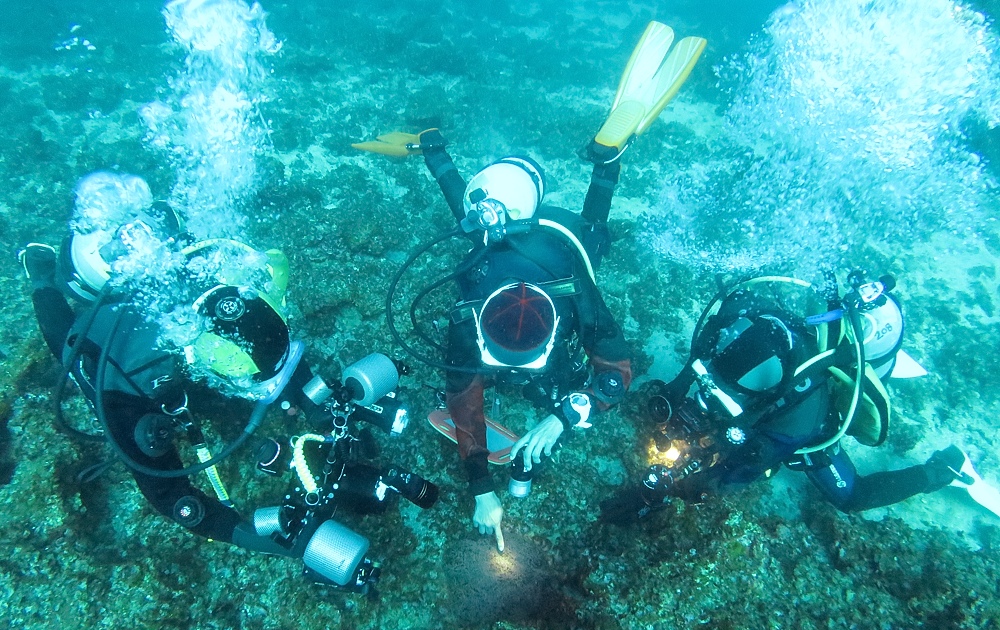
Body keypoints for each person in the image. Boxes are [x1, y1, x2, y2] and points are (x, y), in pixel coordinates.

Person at [355, 22, 707, 549]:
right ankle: (439, 153)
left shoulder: (573, 285)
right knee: (474, 227)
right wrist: (481, 489)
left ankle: (606, 164)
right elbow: (466, 403)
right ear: (480, 327)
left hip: (552, 236)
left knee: (593, 239)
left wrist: (565, 417)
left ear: (553, 328)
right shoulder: (467, 309)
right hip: (503, 228)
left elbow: (615, 372)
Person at [17, 172, 430, 592]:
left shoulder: (221, 276)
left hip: (185, 301)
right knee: (66, 341)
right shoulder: (120, 379)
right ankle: (41, 276)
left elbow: (278, 357)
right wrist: (275, 543)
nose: (265, 393)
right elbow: (175, 501)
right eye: (253, 385)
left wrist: (321, 408)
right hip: (124, 351)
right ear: (197, 357)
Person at [599, 271, 985, 524]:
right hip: (813, 352)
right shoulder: (746, 329)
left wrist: (660, 491)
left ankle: (945, 470)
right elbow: (703, 362)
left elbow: (730, 475)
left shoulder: (799, 417)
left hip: (805, 417)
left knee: (851, 496)